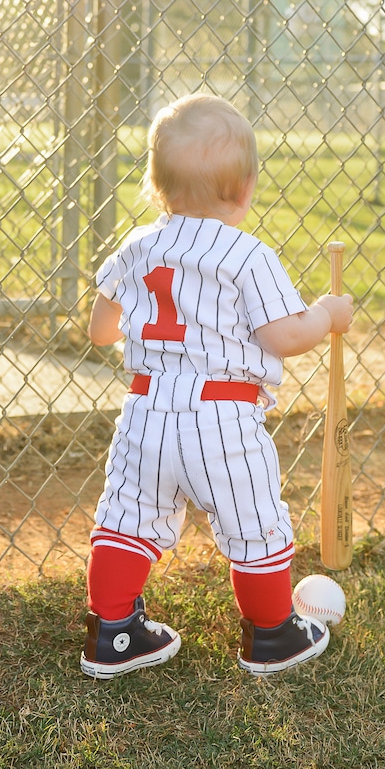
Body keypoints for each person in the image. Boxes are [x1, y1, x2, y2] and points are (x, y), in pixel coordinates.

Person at [80, 93, 353, 679]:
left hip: (145, 409)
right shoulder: (247, 255)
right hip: (222, 418)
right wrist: (327, 315)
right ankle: (273, 636)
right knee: (252, 522)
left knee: (128, 515)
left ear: (157, 185)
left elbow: (101, 330)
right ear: (247, 186)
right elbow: (282, 336)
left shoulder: (137, 246)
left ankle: (112, 635)